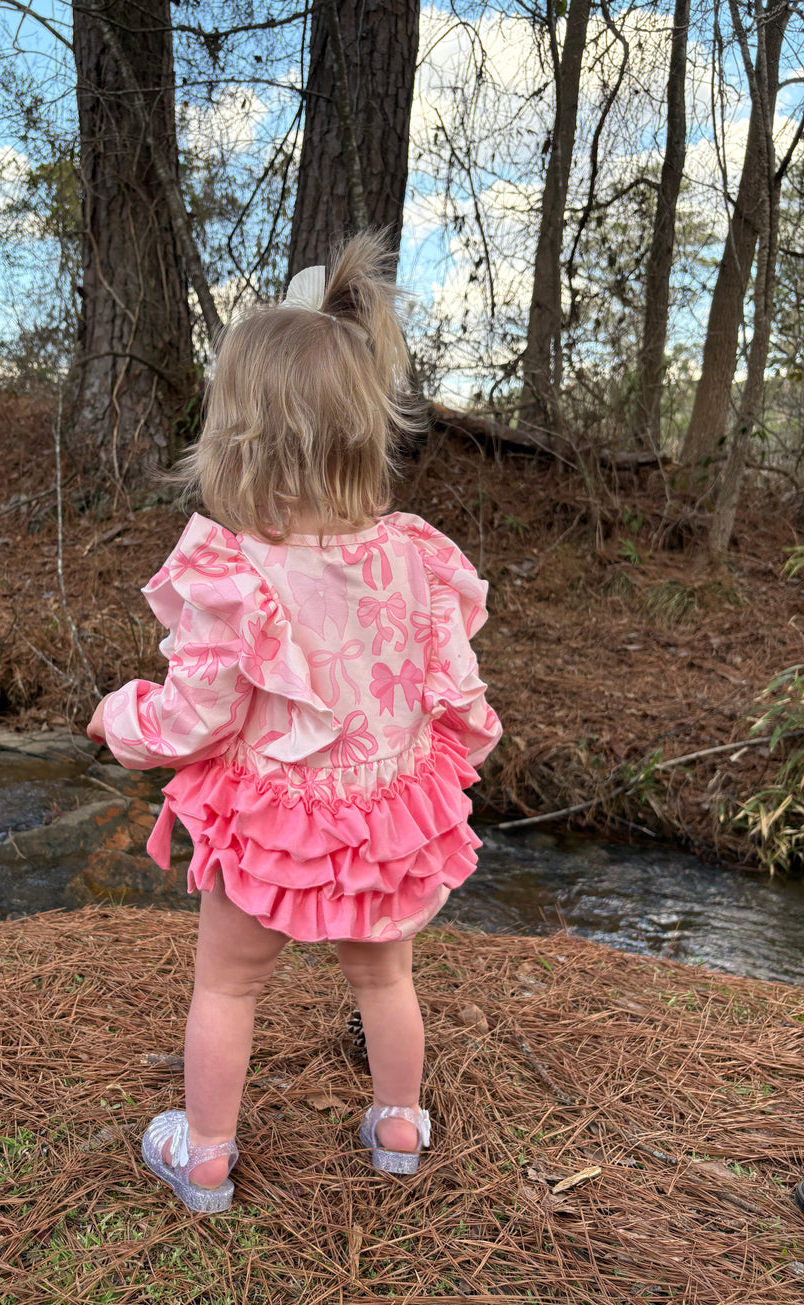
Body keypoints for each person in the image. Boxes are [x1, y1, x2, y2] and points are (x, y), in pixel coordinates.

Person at [86, 232, 501, 1214]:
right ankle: (397, 1127)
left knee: (227, 988)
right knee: (385, 979)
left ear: (237, 437)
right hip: (386, 812)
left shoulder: (236, 572)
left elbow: (193, 715)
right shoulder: (413, 555)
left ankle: (205, 1157)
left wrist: (120, 718)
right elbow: (456, 689)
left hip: (273, 822)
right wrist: (438, 769)